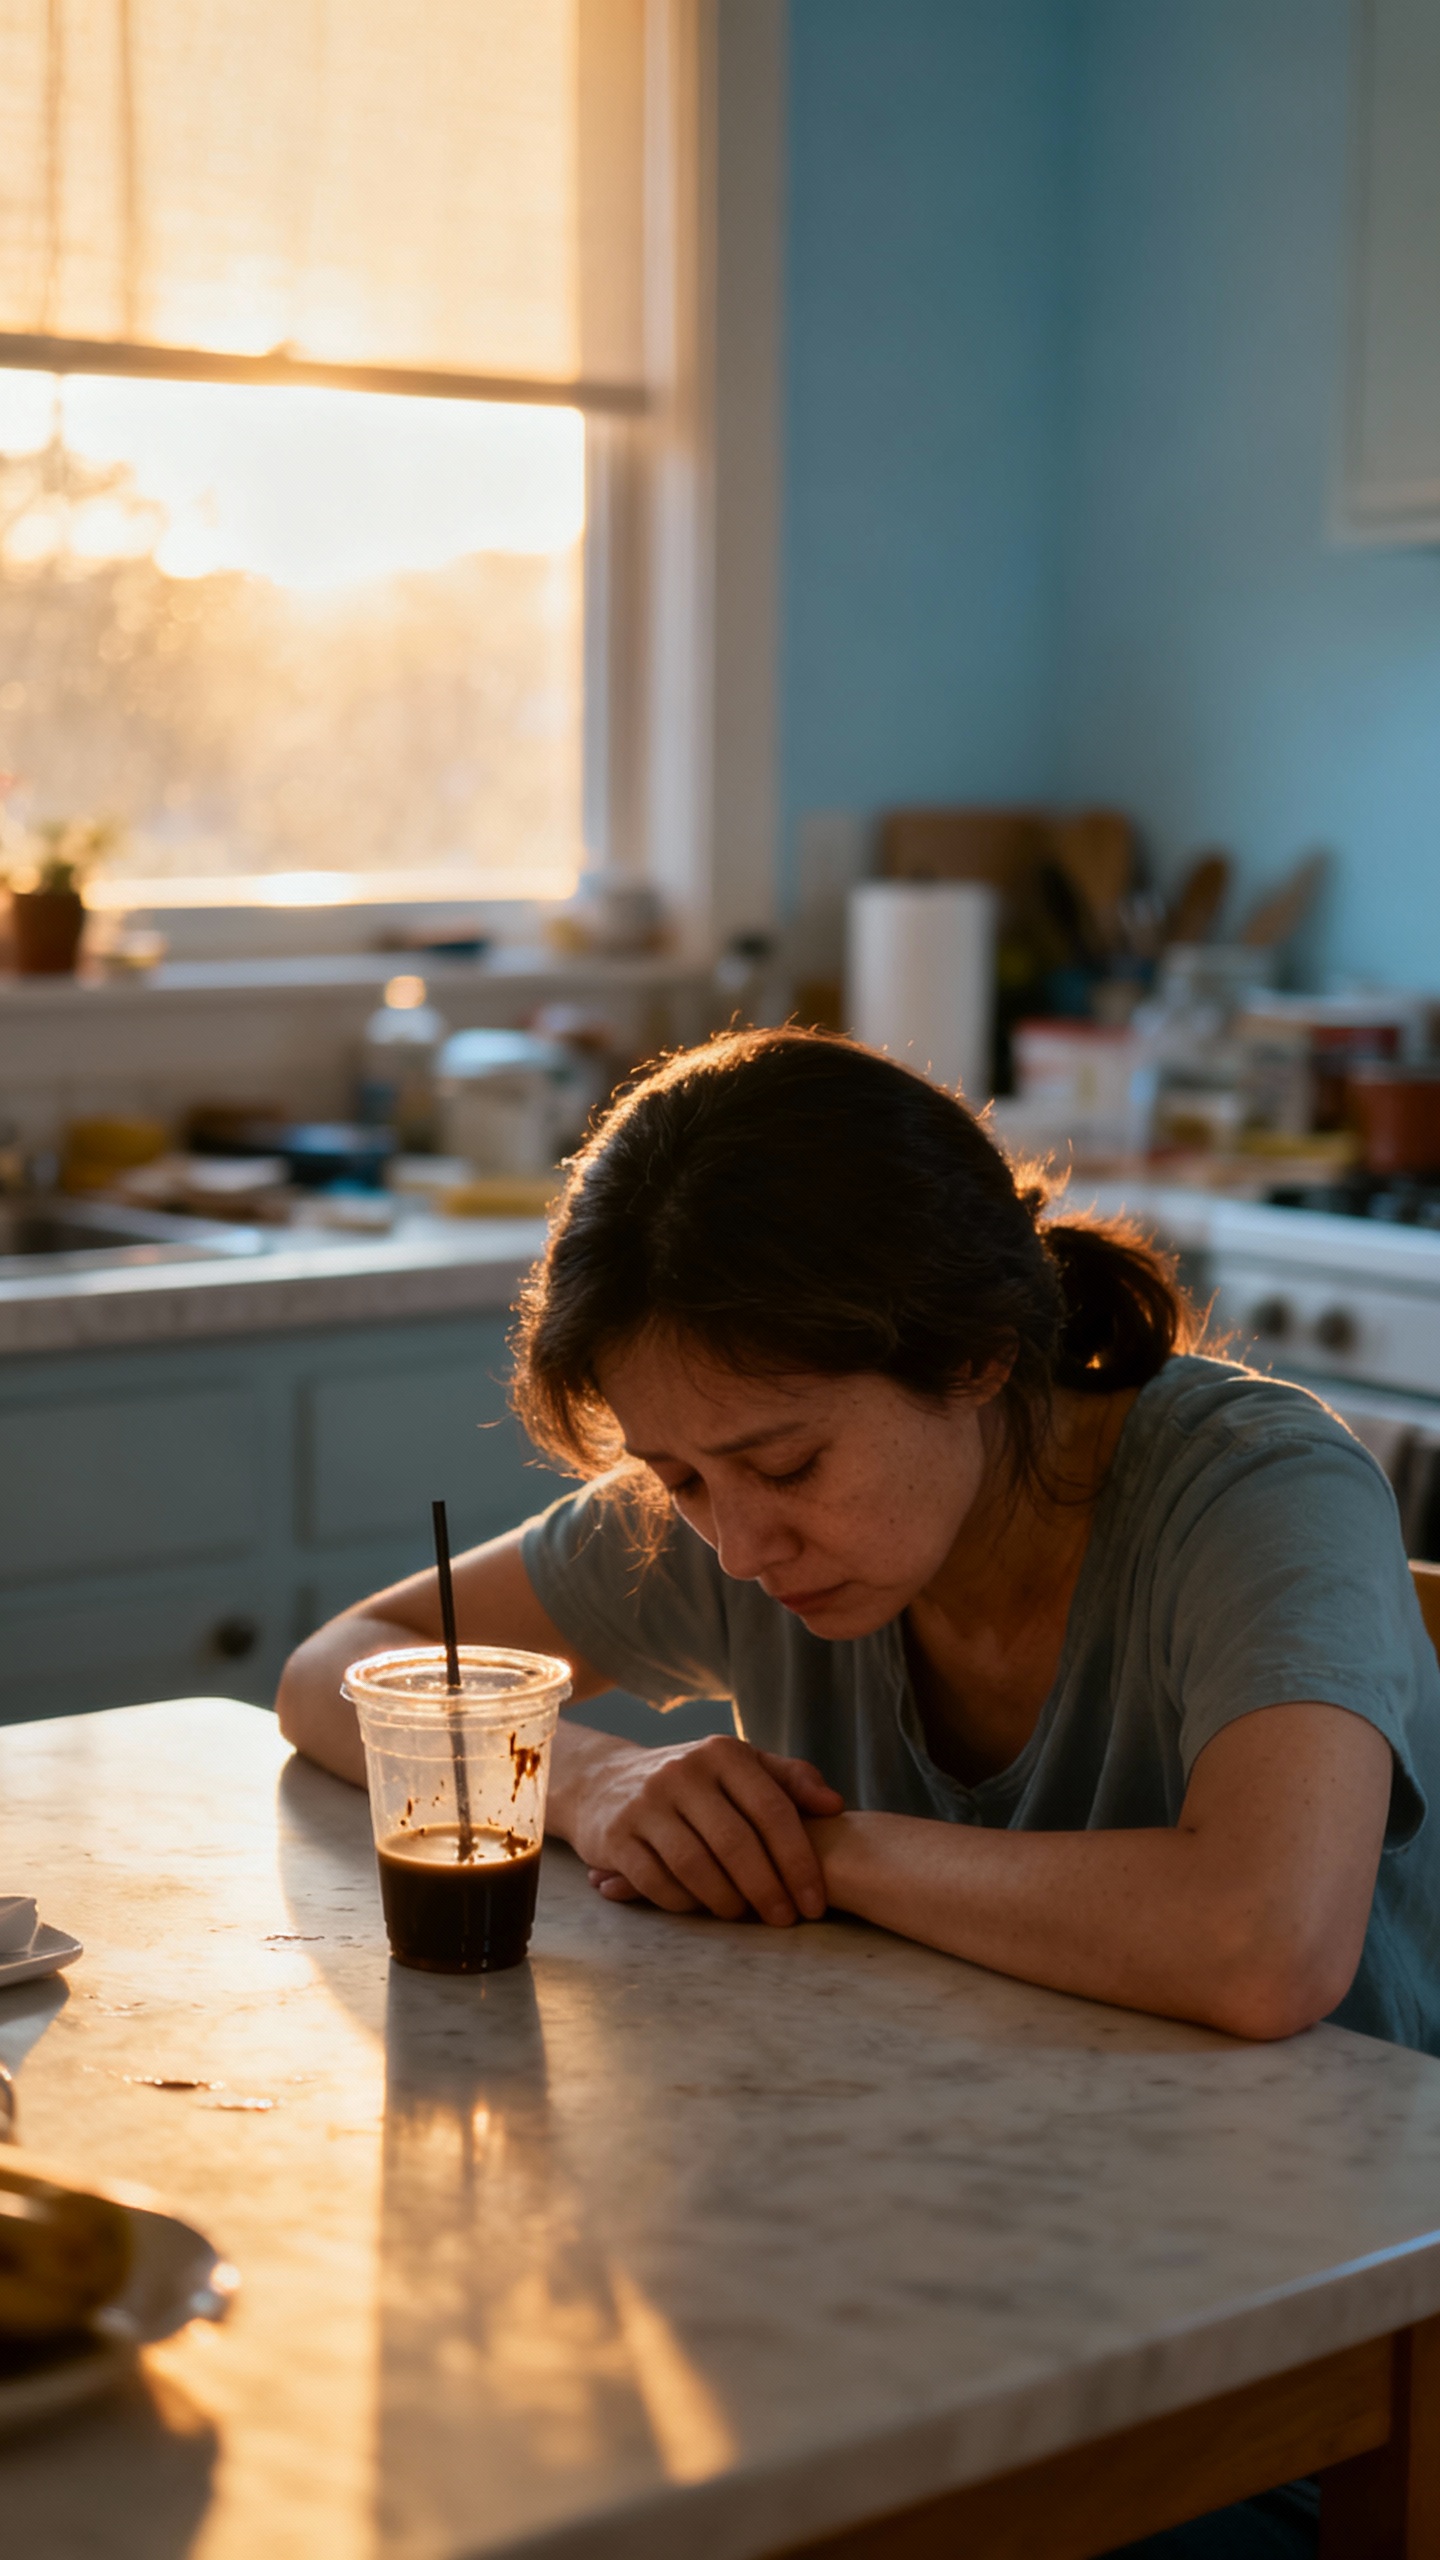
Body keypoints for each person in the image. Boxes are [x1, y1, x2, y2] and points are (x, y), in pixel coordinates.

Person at [278, 1027, 1440, 2557]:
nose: (740, 1547)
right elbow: (335, 1667)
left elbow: (1263, 1941)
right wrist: (603, 1776)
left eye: (787, 1464)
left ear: (972, 1352)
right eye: (682, 1482)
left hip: (1294, 2349)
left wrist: (826, 1856)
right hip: (938, 2276)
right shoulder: (752, 1512)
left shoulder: (1255, 1489)